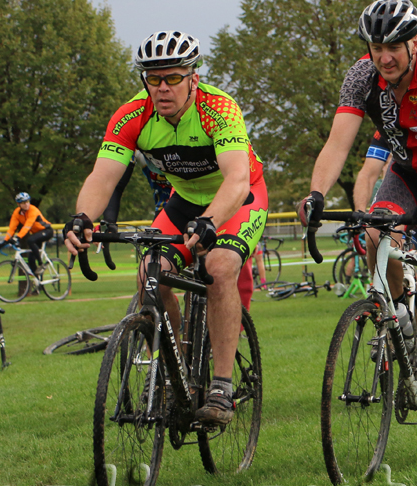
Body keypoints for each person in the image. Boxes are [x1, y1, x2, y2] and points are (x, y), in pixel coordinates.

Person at [299, 0, 417, 455]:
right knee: (375, 234)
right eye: (377, 47)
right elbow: (337, 144)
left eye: (394, 48)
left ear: (414, 44)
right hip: (404, 173)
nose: (385, 57)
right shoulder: (362, 77)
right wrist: (316, 195)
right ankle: (401, 312)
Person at [64, 30, 268, 427]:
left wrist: (211, 221)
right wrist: (82, 218)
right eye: (153, 79)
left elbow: (237, 180)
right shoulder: (131, 115)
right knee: (149, 275)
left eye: (173, 77)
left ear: (193, 77)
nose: (162, 87)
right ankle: (170, 369)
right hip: (185, 201)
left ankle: (221, 387)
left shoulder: (219, 109)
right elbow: (103, 177)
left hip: (238, 199)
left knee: (220, 268)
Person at [2, 192, 53, 288]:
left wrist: (17, 238)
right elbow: (12, 228)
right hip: (36, 234)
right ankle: (39, 285)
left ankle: (41, 264)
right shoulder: (17, 213)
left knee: (30, 240)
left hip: (46, 231)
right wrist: (5, 240)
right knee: (30, 260)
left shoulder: (33, 210)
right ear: (19, 204)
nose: (26, 204)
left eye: (27, 201)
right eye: (23, 202)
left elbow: (27, 226)